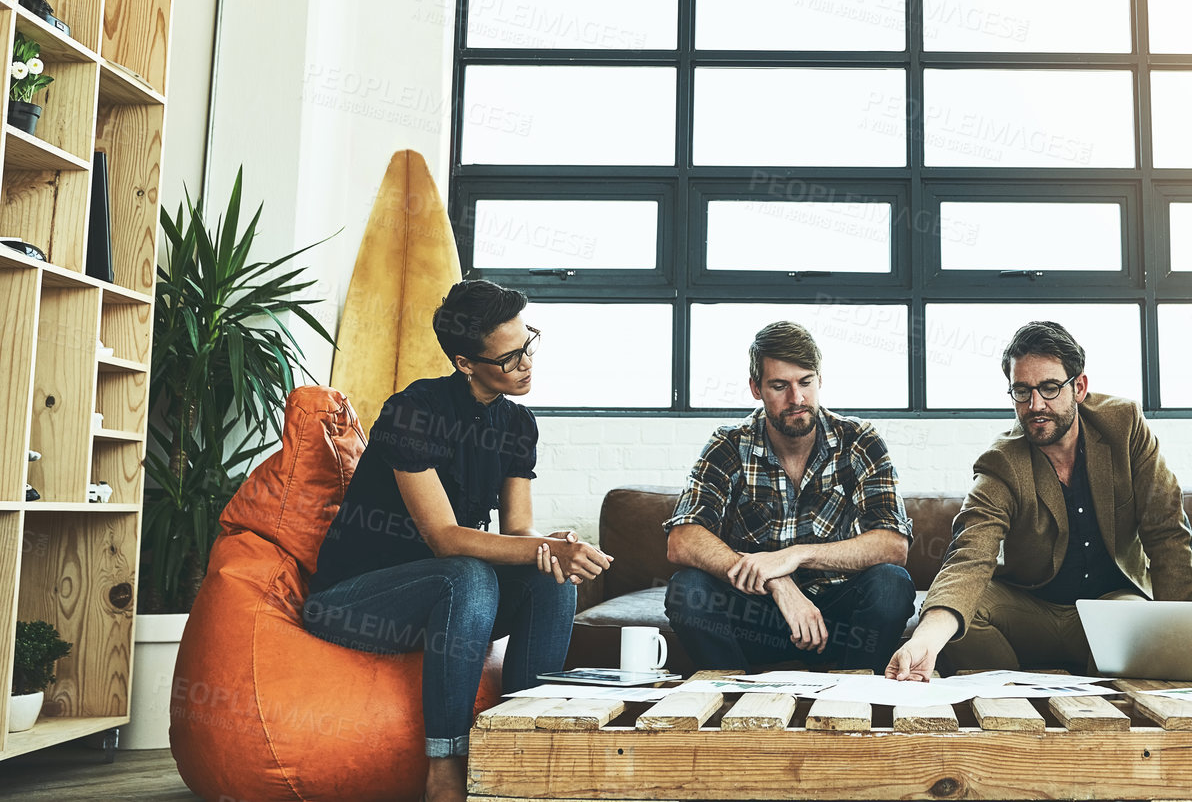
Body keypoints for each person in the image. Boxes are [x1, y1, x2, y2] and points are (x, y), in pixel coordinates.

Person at [303, 279, 609, 802]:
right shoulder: (413, 412)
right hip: (357, 600)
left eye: (529, 342)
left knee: (552, 579)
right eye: (510, 357)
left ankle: (523, 747)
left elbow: (517, 532)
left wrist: (550, 545)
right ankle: (445, 763)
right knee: (465, 573)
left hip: (450, 604)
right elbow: (445, 539)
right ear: (466, 363)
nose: (527, 364)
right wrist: (543, 549)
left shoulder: (518, 424)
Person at [887, 321, 1192, 679]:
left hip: (1111, 605)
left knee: (1130, 622)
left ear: (1078, 387)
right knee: (956, 623)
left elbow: (1167, 530)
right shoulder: (1002, 461)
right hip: (1031, 608)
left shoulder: (1123, 425)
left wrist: (1181, 639)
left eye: (1049, 388)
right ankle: (1011, 701)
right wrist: (926, 638)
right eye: (1022, 391)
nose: (1035, 405)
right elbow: (970, 554)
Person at [663, 321, 916, 673]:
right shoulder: (729, 444)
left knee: (892, 583)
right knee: (686, 588)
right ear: (756, 388)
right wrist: (777, 580)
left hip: (837, 619)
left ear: (820, 380)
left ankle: (857, 693)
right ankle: (733, 697)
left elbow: (893, 545)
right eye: (780, 386)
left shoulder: (858, 439)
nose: (796, 399)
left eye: (806, 382)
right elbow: (682, 539)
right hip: (757, 614)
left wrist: (794, 557)